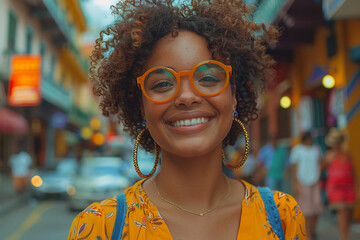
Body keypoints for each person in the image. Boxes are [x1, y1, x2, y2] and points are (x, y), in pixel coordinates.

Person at [68, 1, 305, 239]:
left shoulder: (282, 217)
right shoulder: (101, 227)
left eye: (209, 78)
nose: (187, 97)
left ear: (233, 96)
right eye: (162, 83)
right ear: (141, 107)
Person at [322, 128, 355, 240]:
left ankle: (345, 235)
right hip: (336, 190)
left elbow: (353, 173)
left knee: (349, 214)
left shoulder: (347, 155)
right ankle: (344, 237)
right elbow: (320, 170)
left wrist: (357, 188)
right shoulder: (328, 156)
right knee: (343, 214)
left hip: (349, 189)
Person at [290, 132, 323, 240]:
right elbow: (294, 168)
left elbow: (320, 163)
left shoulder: (316, 149)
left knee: (317, 208)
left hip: (315, 182)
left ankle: (312, 231)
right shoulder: (297, 150)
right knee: (307, 211)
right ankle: (308, 234)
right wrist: (296, 184)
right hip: (303, 182)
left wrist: (318, 175)